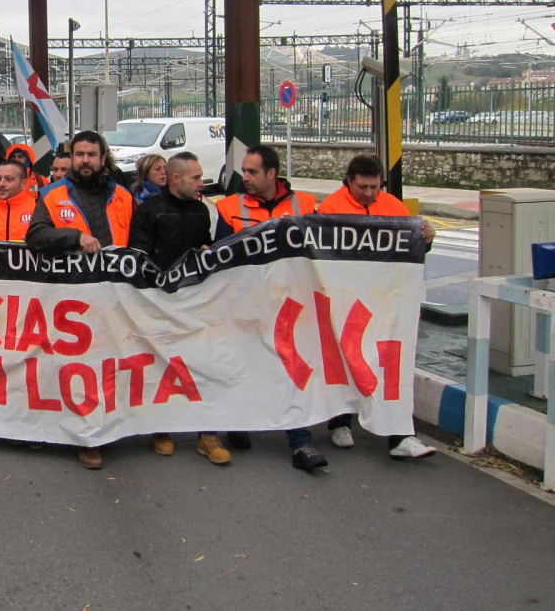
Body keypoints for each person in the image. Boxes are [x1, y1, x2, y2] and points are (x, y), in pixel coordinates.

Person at [26, 131, 135, 470]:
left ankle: (109, 425)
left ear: (104, 159)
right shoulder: (52, 194)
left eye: (92, 154)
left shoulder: (124, 196)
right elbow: (36, 236)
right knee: (79, 370)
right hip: (71, 298)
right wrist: (75, 237)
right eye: (80, 154)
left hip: (116, 295)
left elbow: (138, 240)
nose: (85, 160)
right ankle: (88, 438)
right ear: (71, 158)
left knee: (110, 364)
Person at [317, 153, 437, 460]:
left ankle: (401, 436)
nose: (370, 193)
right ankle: (340, 421)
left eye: (375, 187)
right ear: (349, 181)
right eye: (363, 187)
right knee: (345, 361)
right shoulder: (330, 208)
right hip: (345, 301)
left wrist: (426, 238)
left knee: (388, 365)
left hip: (382, 303)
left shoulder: (393, 207)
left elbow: (412, 251)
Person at [214, 145, 325, 470]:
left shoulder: (304, 205)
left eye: (251, 172)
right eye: (244, 171)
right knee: (241, 366)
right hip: (245, 303)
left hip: (288, 305)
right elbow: (222, 252)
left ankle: (301, 443)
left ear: (272, 174)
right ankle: (238, 423)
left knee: (292, 370)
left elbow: (323, 248)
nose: (244, 177)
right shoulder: (229, 206)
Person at [129, 151, 235, 467]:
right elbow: (138, 257)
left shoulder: (205, 211)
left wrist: (209, 252)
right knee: (161, 366)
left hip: (199, 303)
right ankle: (161, 428)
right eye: (196, 177)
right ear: (176, 179)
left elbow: (217, 248)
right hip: (160, 302)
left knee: (202, 365)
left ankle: (207, 434)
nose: (202, 182)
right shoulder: (148, 211)